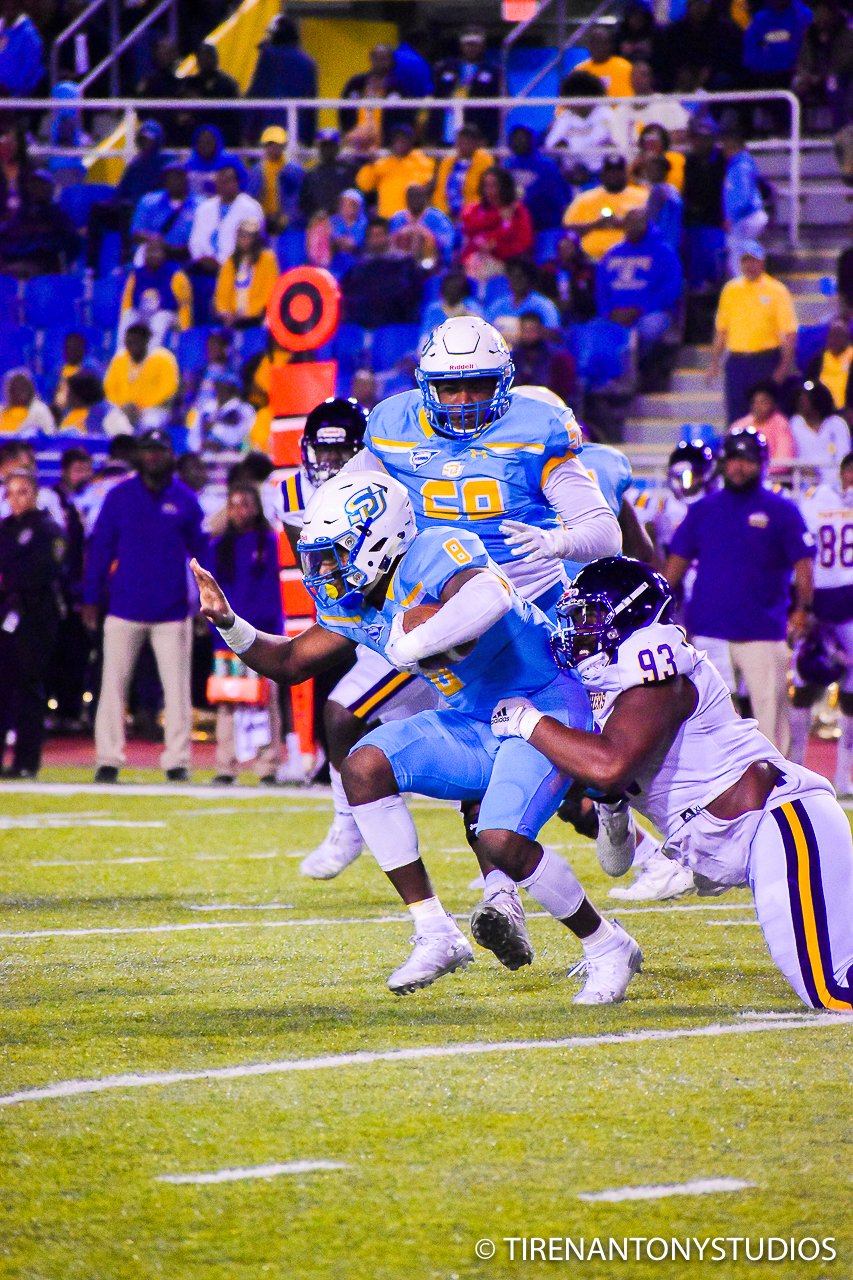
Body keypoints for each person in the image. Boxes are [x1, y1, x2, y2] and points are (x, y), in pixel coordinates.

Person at [193, 472, 642, 1003]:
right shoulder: (354, 600)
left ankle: (606, 944)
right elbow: (290, 662)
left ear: (376, 541)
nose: (325, 571)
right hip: (475, 718)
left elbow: (491, 594)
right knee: (364, 766)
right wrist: (228, 621)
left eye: (335, 555)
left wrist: (415, 642)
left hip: (544, 706)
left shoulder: (432, 550)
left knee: (500, 840)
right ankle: (435, 931)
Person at [491, 555, 853, 1012]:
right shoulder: (606, 685)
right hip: (759, 836)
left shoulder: (656, 663)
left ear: (628, 616)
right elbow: (616, 858)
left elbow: (610, 766)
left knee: (833, 990)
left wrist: (527, 721)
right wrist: (610, 810)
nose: (578, 629)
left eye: (590, 615)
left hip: (781, 825)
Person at [272, 396, 439, 878]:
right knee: (351, 717)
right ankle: (350, 823)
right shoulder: (291, 493)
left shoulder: (393, 480)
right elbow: (318, 573)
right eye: (321, 451)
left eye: (339, 451)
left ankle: (511, 863)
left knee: (348, 714)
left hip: (403, 617)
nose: (328, 462)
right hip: (358, 619)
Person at [665, 425, 816, 753]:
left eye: (747, 460)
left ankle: (777, 780)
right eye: (733, 459)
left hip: (763, 632)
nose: (738, 467)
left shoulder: (782, 510)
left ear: (762, 463)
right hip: (708, 632)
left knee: (771, 722)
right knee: (709, 721)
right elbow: (673, 569)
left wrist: (803, 611)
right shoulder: (703, 510)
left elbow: (804, 566)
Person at [83, 428, 208, 784]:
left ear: (170, 455)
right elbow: (100, 549)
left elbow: (202, 555)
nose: (153, 457)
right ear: (139, 455)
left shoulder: (185, 499)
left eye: (159, 450)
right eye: (148, 450)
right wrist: (91, 597)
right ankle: (108, 758)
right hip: (124, 606)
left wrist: (206, 601)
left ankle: (177, 760)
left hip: (171, 610)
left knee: (177, 690)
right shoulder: (119, 496)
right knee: (112, 687)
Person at [210, 482, 283, 786]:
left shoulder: (271, 542)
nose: (240, 511)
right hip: (227, 635)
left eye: (246, 504)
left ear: (257, 508)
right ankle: (226, 765)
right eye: (233, 505)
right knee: (227, 700)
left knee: (266, 700)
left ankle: (267, 766)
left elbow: (276, 591)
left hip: (265, 635)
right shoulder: (218, 547)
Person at [790, 452, 853, 792]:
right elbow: (801, 552)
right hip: (819, 597)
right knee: (804, 683)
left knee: (851, 692)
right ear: (842, 472)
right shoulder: (816, 498)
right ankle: (795, 767)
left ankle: (844, 774)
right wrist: (801, 604)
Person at [0, 470, 64, 778]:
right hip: (5, 615)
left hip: (34, 617)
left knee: (29, 688)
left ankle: (26, 761)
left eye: (23, 491)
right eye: (11, 493)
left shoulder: (47, 529)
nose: (17, 499)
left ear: (35, 494)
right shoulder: (5, 528)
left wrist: (7, 580)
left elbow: (44, 570)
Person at [708, 241, 798, 424]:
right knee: (736, 414)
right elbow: (722, 330)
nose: (749, 265)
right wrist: (715, 362)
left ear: (762, 262)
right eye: (745, 261)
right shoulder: (730, 290)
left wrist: (783, 367)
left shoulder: (777, 291)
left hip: (765, 360)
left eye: (753, 260)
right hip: (737, 361)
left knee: (767, 415)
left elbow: (789, 333)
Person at [595, 207, 683, 387]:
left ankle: (631, 378)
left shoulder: (664, 252)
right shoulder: (612, 253)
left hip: (650, 313)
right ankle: (604, 381)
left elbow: (670, 290)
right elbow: (601, 290)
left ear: (646, 224)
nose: (632, 227)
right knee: (596, 331)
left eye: (637, 223)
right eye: (629, 223)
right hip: (614, 315)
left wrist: (639, 309)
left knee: (648, 329)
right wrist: (609, 312)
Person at [85, 121, 167, 270]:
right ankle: (91, 267)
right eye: (143, 139)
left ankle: (126, 259)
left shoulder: (164, 163)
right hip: (127, 208)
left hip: (149, 212)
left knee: (126, 210)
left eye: (150, 140)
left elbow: (164, 194)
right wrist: (110, 204)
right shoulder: (135, 164)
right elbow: (121, 191)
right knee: (98, 210)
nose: (146, 143)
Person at [340, 217, 426, 330]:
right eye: (372, 236)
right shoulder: (357, 268)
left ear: (388, 236)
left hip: (397, 323)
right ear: (367, 239)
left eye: (379, 235)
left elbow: (413, 294)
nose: (376, 240)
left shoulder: (404, 263)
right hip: (364, 324)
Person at [244, 14, 317, 146]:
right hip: (298, 129)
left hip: (269, 127)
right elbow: (311, 106)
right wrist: (309, 138)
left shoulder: (269, 56)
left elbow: (257, 91)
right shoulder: (308, 62)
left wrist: (248, 130)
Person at [562, 154, 648, 263]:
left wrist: (623, 224)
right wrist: (596, 225)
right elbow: (567, 229)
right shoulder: (584, 199)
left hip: (632, 259)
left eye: (618, 171)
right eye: (610, 171)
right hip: (591, 260)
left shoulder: (643, 196)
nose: (614, 175)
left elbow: (652, 227)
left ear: (625, 173)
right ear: (602, 174)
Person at [0, 168, 80, 277]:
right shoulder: (22, 214)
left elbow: (71, 244)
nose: (37, 188)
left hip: (42, 267)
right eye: (34, 185)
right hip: (15, 261)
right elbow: (7, 235)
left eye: (42, 185)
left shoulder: (57, 217)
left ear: (50, 188)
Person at [430, 24, 501, 146]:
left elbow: (497, 107)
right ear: (461, 45)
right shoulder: (445, 67)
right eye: (468, 44)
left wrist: (489, 136)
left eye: (475, 44)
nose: (471, 48)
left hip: (477, 130)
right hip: (447, 127)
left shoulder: (493, 70)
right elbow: (435, 98)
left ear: (482, 45)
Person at [460, 166, 534, 279]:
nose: (489, 191)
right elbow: (470, 230)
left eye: (494, 186)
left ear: (504, 187)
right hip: (476, 260)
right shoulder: (474, 210)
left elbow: (524, 242)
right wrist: (498, 216)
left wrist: (497, 248)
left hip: (508, 262)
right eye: (486, 186)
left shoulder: (518, 211)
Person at [118, 236, 192, 348]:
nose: (152, 255)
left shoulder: (176, 274)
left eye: (156, 251)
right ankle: (122, 354)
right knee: (128, 316)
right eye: (149, 251)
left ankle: (151, 355)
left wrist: (185, 330)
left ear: (163, 254)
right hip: (143, 313)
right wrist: (126, 315)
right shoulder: (137, 275)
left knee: (159, 319)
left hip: (169, 314)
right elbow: (127, 301)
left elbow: (185, 304)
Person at [188, 165, 265, 273]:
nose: (223, 186)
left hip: (238, 267)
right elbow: (195, 241)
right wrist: (203, 259)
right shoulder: (204, 208)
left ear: (237, 183)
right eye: (220, 182)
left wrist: (226, 264)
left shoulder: (251, 208)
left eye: (227, 181)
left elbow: (255, 243)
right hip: (204, 267)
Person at [103, 323, 180, 430]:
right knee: (111, 422)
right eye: (128, 342)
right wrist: (123, 405)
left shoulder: (163, 358)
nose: (131, 346)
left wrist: (141, 406)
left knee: (149, 424)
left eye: (136, 342)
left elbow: (169, 389)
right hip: (124, 408)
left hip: (154, 409)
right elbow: (109, 388)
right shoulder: (120, 359)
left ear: (146, 341)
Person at [544, 72, 618, 181]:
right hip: (572, 174)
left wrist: (568, 145)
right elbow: (551, 144)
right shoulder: (566, 116)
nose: (568, 104)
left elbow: (596, 140)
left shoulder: (606, 114)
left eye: (572, 97)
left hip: (600, 175)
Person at [355, 125, 435, 221]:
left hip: (412, 218)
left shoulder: (422, 162)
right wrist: (370, 165)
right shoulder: (382, 163)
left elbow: (427, 187)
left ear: (411, 141)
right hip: (387, 218)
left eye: (403, 138)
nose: (399, 142)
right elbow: (365, 185)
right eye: (396, 139)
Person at [721, 124, 768, 277]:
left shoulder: (741, 166)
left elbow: (743, 196)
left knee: (737, 257)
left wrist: (731, 217)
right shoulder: (739, 164)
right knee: (739, 253)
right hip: (746, 216)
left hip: (746, 217)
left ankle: (743, 285)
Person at [213, 218, 279, 329]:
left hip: (258, 318)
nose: (245, 239)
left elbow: (270, 291)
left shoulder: (267, 259)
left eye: (249, 236)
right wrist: (225, 312)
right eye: (242, 236)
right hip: (233, 319)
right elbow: (222, 293)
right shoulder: (230, 262)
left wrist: (253, 313)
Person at [504, 125, 570, 234]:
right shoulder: (507, 165)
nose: (519, 141)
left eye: (523, 137)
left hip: (546, 223)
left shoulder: (547, 165)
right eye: (515, 138)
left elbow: (556, 197)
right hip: (516, 223)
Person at [130, 163, 201, 264]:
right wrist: (154, 240)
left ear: (186, 178)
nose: (174, 181)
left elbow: (200, 238)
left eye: (178, 177)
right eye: (170, 177)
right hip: (151, 255)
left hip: (184, 258)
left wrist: (172, 249)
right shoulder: (148, 201)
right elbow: (136, 233)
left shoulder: (200, 205)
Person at [246, 126, 304, 237]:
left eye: (277, 144)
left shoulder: (294, 170)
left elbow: (299, 198)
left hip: (288, 223)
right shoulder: (257, 170)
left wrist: (288, 217)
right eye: (270, 144)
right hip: (263, 220)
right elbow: (251, 197)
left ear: (283, 145)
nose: (273, 148)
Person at [789, 379, 851, 482]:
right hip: (805, 482)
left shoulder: (836, 423)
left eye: (807, 399)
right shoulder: (795, 423)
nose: (803, 402)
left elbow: (843, 456)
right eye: (801, 399)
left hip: (835, 482)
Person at [181, 42, 241, 147]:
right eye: (202, 56)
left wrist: (202, 101)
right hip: (196, 132)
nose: (206, 60)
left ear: (216, 59)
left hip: (222, 131)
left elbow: (235, 114)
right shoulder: (190, 83)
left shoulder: (227, 83)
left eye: (209, 56)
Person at [511, 314, 577, 407]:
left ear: (541, 331)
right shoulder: (514, 356)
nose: (528, 335)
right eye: (524, 331)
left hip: (551, 406)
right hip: (519, 406)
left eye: (532, 331)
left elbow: (565, 391)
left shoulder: (559, 358)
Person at [731, 380, 795, 471]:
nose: (758, 406)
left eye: (763, 402)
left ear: (773, 404)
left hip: (774, 477)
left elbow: (783, 461)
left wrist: (757, 471)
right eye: (755, 402)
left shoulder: (781, 424)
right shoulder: (740, 425)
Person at [432, 125, 493, 220]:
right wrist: (443, 212)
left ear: (476, 144)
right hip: (445, 213)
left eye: (468, 142)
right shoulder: (446, 162)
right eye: (461, 141)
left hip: (473, 214)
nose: (464, 145)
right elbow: (440, 191)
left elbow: (484, 194)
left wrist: (467, 213)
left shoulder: (485, 161)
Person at [486, 257, 561, 333]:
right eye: (513, 277)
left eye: (520, 277)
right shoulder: (498, 304)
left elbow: (553, 333)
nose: (516, 281)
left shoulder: (544, 306)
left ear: (529, 279)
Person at [388, 183, 455, 269]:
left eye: (418, 196)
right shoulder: (398, 218)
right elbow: (390, 245)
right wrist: (404, 234)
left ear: (425, 198)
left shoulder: (438, 218)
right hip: (401, 265)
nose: (414, 200)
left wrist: (426, 235)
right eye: (411, 197)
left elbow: (447, 244)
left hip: (434, 266)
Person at [298, 129, 356, 222]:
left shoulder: (349, 170)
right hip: (320, 222)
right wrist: (316, 214)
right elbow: (304, 203)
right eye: (324, 146)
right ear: (319, 148)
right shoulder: (311, 174)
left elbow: (355, 197)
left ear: (337, 148)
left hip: (345, 221)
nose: (327, 149)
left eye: (331, 146)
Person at [60, 370, 132, 438]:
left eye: (69, 393)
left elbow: (125, 442)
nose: (66, 397)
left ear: (77, 397)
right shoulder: (80, 414)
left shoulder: (110, 416)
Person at [803, 319, 853, 417]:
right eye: (832, 336)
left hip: (847, 410)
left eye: (839, 335)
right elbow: (807, 382)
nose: (835, 340)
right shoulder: (818, 360)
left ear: (847, 338)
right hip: (821, 409)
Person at [199, 372, 256, 451]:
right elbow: (194, 438)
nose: (218, 389)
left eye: (223, 386)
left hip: (234, 455)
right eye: (217, 385)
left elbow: (235, 439)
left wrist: (214, 427)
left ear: (233, 389)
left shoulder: (245, 409)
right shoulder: (208, 407)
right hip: (205, 455)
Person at [420, 268, 483, 339]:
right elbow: (424, 339)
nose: (453, 291)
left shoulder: (472, 307)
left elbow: (484, 334)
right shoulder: (434, 309)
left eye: (456, 288)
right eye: (450, 288)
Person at [575, 25, 634, 97]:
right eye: (596, 43)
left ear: (611, 45)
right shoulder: (579, 71)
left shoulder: (626, 67)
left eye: (604, 43)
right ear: (589, 45)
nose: (600, 47)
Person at [0, 0, 43, 95]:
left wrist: (13, 89)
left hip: (19, 96)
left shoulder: (28, 33)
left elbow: (31, 66)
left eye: (13, 3)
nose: (9, 5)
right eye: (5, 2)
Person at [0, 369, 54, 436]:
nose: (19, 392)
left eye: (23, 387)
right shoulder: (2, 412)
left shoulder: (40, 410)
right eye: (14, 388)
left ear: (30, 389)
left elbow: (49, 435)